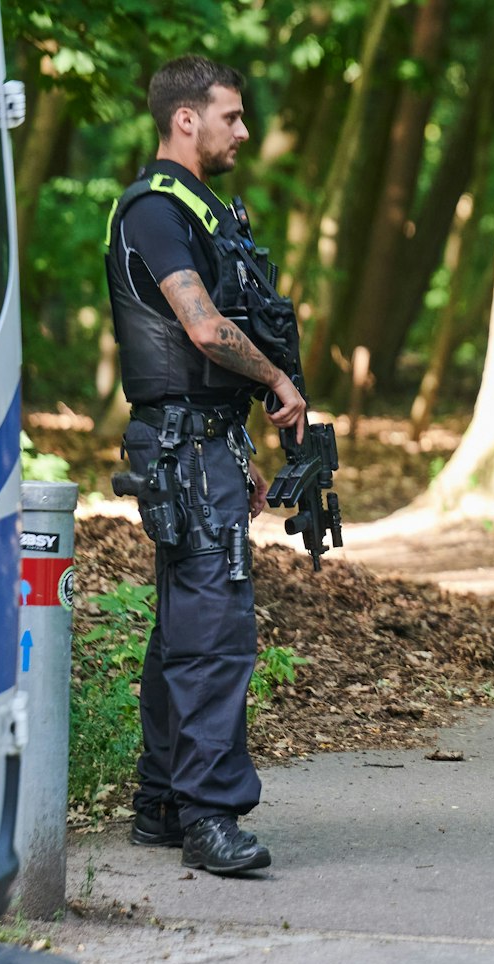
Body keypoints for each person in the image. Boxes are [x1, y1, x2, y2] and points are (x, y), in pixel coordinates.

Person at [104, 55, 308, 877]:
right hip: (183, 448)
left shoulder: (203, 208)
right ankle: (209, 814)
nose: (244, 131)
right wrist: (277, 380)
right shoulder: (156, 210)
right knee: (214, 633)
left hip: (202, 443)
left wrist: (239, 443)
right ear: (185, 119)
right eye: (231, 115)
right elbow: (204, 328)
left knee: (184, 623)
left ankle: (161, 800)